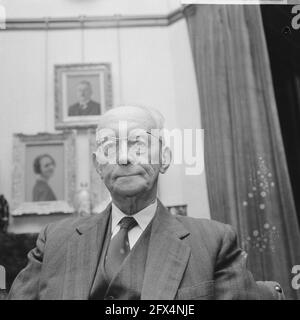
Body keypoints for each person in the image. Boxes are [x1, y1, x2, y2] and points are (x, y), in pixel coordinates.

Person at [8, 105, 261, 300]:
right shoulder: (54, 240)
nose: (124, 158)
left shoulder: (215, 242)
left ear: (164, 158)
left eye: (138, 143)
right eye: (109, 147)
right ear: (98, 166)